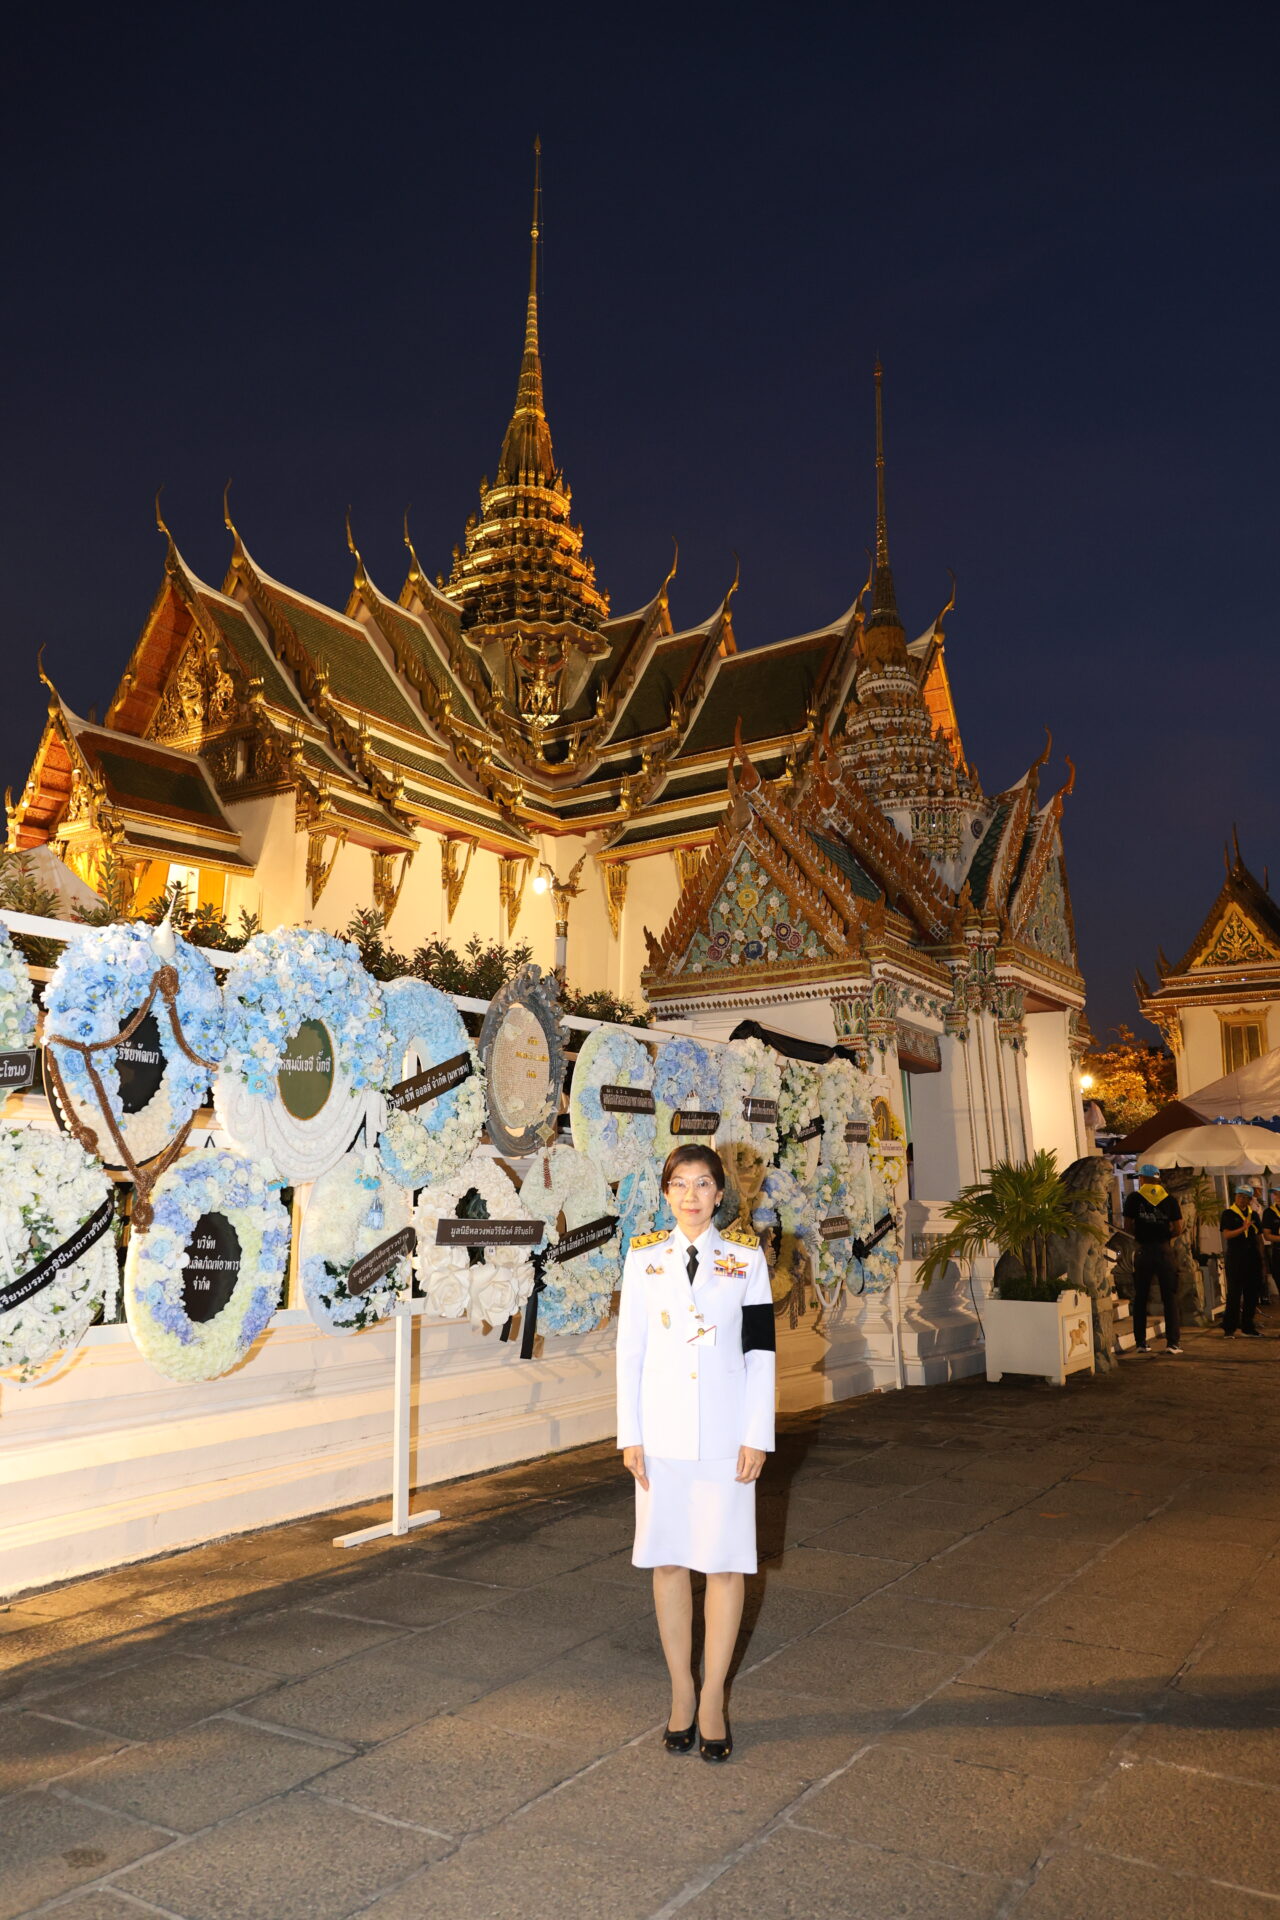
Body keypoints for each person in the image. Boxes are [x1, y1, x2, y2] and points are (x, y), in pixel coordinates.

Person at [616, 1144, 776, 1763]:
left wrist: (756, 1434)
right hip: (660, 1441)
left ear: (718, 1194)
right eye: (679, 1185)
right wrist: (629, 1434)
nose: (690, 1196)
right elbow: (630, 1351)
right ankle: (681, 1690)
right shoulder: (644, 1261)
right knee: (669, 1563)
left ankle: (713, 1698)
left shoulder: (744, 1261)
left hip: (725, 1440)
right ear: (665, 1193)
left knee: (727, 1565)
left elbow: (759, 1352)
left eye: (702, 1184)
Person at [1121, 1163, 1183, 1353]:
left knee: (1141, 1297)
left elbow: (1128, 1226)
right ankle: (1173, 1343)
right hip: (1164, 1251)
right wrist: (1165, 1238)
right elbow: (1178, 1228)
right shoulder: (1170, 1200)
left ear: (1142, 1179)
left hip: (1143, 1251)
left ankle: (1141, 1342)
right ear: (1158, 1179)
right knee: (1169, 1297)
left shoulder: (1134, 1198)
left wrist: (1141, 1236)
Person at [1221, 1183, 1265, 1338]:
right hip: (1236, 1258)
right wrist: (1243, 1228)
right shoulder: (1228, 1214)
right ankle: (1229, 1328)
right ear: (1235, 1197)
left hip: (1253, 1258)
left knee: (1251, 1294)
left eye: (1246, 1197)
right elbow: (1226, 1235)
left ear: (1250, 1200)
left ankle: (1248, 1326)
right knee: (1234, 1294)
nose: (1242, 1200)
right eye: (1240, 1196)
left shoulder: (1254, 1215)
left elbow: (1259, 1237)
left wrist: (1262, 1259)